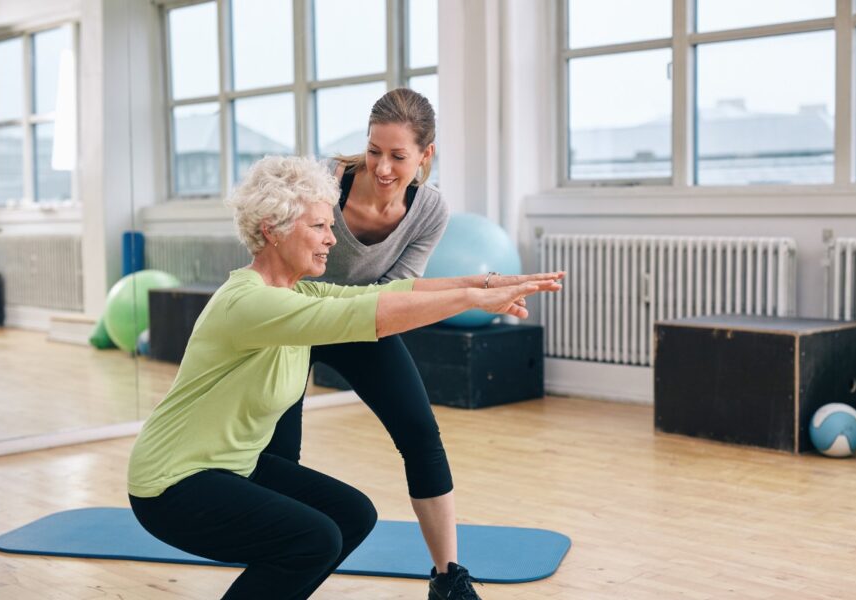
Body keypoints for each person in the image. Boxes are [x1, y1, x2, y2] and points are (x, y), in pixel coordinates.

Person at [127, 155, 563, 600]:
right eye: (318, 227)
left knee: (352, 515)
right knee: (313, 538)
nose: (332, 240)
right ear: (271, 229)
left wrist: (484, 285)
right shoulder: (249, 303)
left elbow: (387, 292)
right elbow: (371, 314)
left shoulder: (297, 290)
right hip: (173, 484)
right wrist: (471, 299)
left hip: (232, 466)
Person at [264, 87, 539, 599]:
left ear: (425, 155)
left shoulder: (429, 210)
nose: (383, 168)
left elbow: (399, 295)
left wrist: (473, 293)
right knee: (281, 452)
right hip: (297, 318)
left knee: (420, 431)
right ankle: (283, 565)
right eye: (373, 151)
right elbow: (275, 256)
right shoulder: (325, 185)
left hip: (361, 320)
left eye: (398, 156)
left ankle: (447, 577)